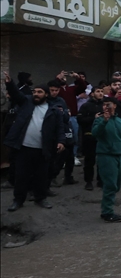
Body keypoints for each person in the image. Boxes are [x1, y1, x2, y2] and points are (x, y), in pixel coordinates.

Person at [3, 73, 65, 212]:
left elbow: (60, 128)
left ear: (46, 95)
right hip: (23, 148)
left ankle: (40, 198)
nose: (36, 94)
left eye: (39, 92)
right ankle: (18, 200)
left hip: (42, 149)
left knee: (41, 176)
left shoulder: (54, 110)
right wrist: (9, 83)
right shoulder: (26, 102)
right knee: (21, 176)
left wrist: (61, 141)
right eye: (35, 91)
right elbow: (16, 94)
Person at [92, 97, 121, 223]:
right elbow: (95, 134)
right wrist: (104, 121)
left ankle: (107, 209)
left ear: (114, 106)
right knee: (110, 184)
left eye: (108, 104)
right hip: (106, 155)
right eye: (104, 105)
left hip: (119, 155)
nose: (105, 107)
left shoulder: (120, 121)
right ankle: (107, 212)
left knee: (116, 185)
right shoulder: (99, 120)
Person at [46, 79, 75, 186]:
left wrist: (62, 114)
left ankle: (66, 177)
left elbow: (67, 117)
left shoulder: (61, 101)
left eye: (56, 90)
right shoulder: (45, 101)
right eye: (52, 90)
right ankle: (50, 178)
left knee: (67, 155)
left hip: (63, 130)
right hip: (50, 133)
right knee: (53, 158)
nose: (54, 92)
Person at [77, 86, 104, 191]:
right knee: (89, 160)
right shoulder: (86, 106)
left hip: (102, 136)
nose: (100, 93)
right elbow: (80, 120)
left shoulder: (105, 105)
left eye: (102, 91)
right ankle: (88, 181)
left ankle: (101, 180)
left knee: (101, 160)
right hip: (89, 135)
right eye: (98, 91)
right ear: (92, 93)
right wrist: (94, 118)